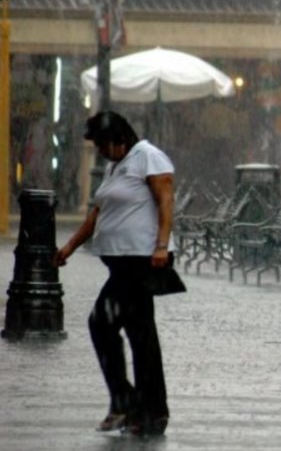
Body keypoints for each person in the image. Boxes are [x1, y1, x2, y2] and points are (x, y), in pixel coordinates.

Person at [54, 111, 176, 435]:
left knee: (102, 322)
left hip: (141, 260)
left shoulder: (147, 156)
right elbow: (98, 212)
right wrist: (69, 247)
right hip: (121, 261)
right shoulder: (114, 167)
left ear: (119, 138)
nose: (100, 152)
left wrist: (161, 245)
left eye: (103, 144)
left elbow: (165, 200)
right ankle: (146, 410)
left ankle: (131, 403)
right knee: (139, 335)